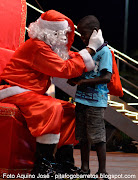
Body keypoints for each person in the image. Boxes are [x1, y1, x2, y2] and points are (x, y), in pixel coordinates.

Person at [0, 10, 104, 178]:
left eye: (65, 33)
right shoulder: (37, 46)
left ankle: (64, 162)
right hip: (14, 89)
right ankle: (43, 164)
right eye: (59, 33)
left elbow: (71, 58)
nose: (64, 37)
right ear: (47, 32)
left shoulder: (49, 47)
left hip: (30, 93)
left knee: (70, 110)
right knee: (52, 107)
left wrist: (96, 54)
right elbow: (64, 68)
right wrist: (90, 49)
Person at [68, 15, 112, 180]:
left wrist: (82, 82)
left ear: (94, 32)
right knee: (82, 136)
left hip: (96, 102)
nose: (82, 37)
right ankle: (85, 168)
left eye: (84, 33)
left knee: (98, 137)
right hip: (81, 99)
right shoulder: (86, 53)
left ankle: (102, 171)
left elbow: (107, 77)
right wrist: (74, 79)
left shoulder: (104, 51)